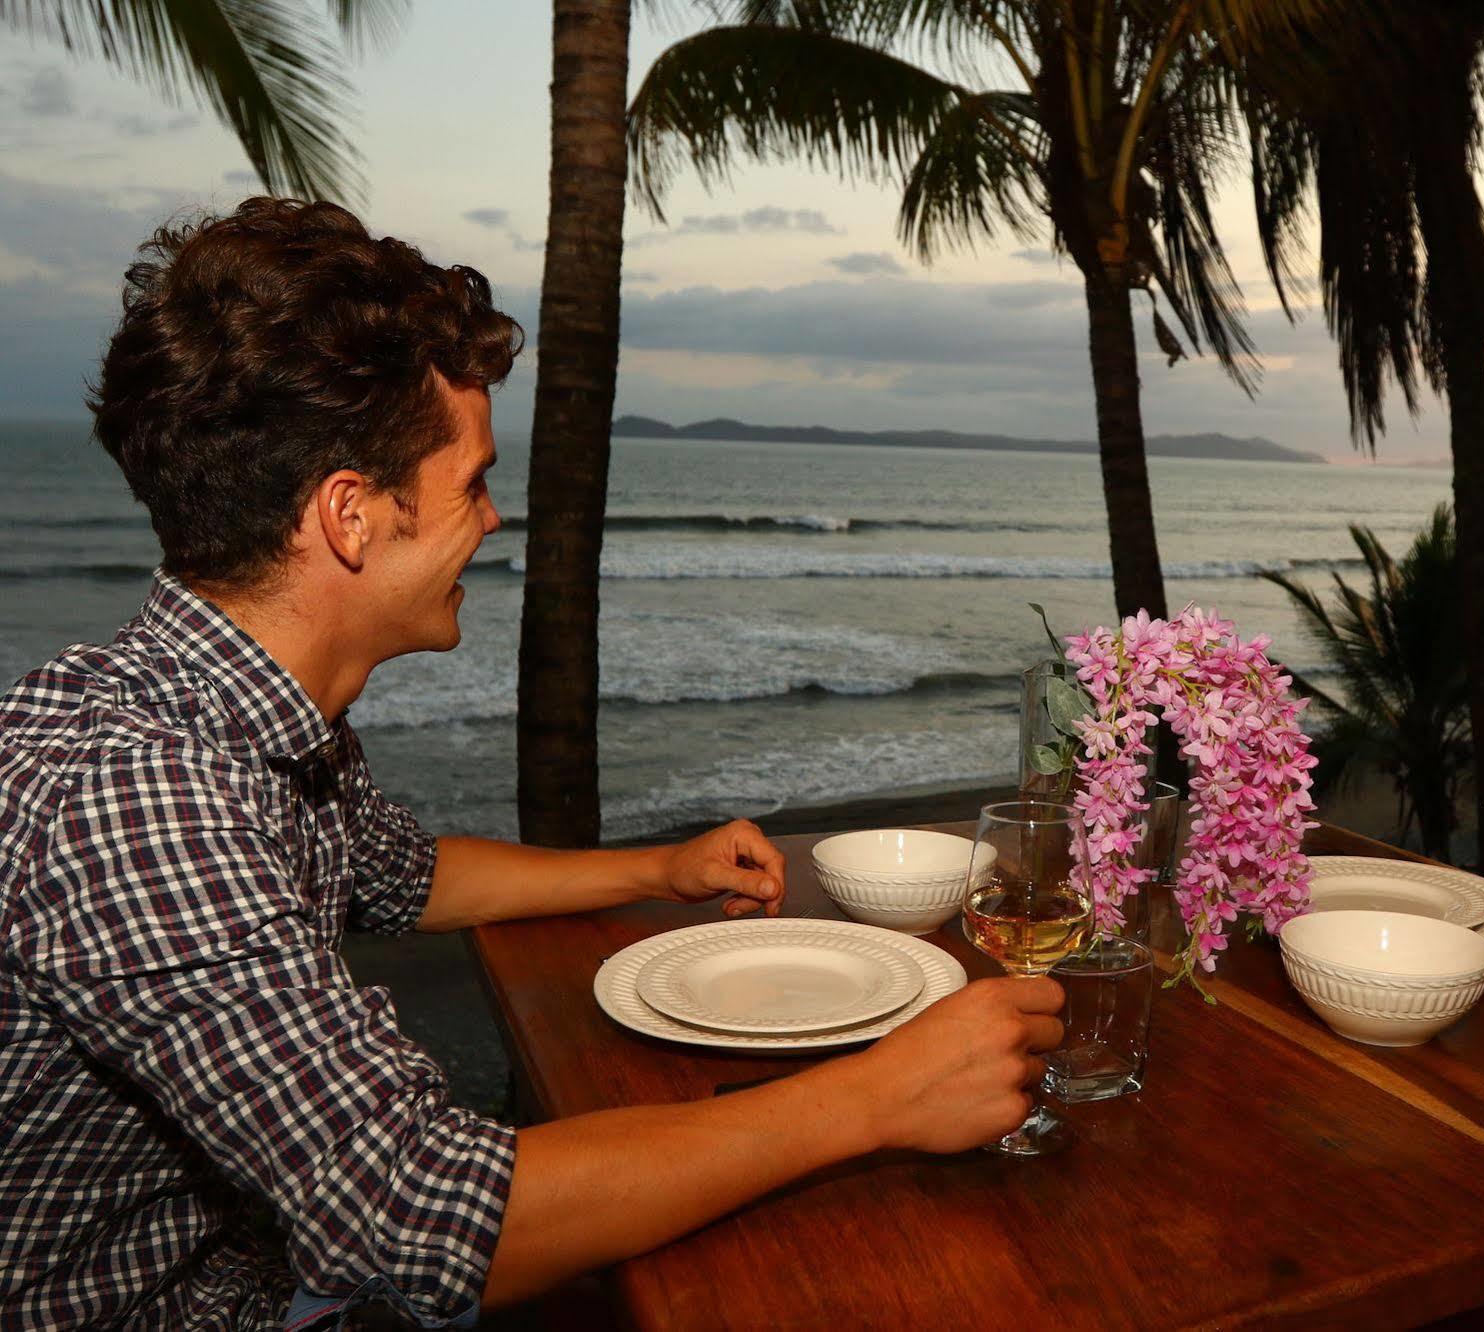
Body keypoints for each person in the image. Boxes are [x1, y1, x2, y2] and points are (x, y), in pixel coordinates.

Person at [0, 199, 1063, 1329]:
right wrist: (877, 1097)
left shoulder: (232, 711)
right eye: (469, 483)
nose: (496, 516)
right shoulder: (138, 798)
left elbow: (405, 874)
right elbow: (417, 1217)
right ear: (351, 518)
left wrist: (655, 871)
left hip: (251, 1265)